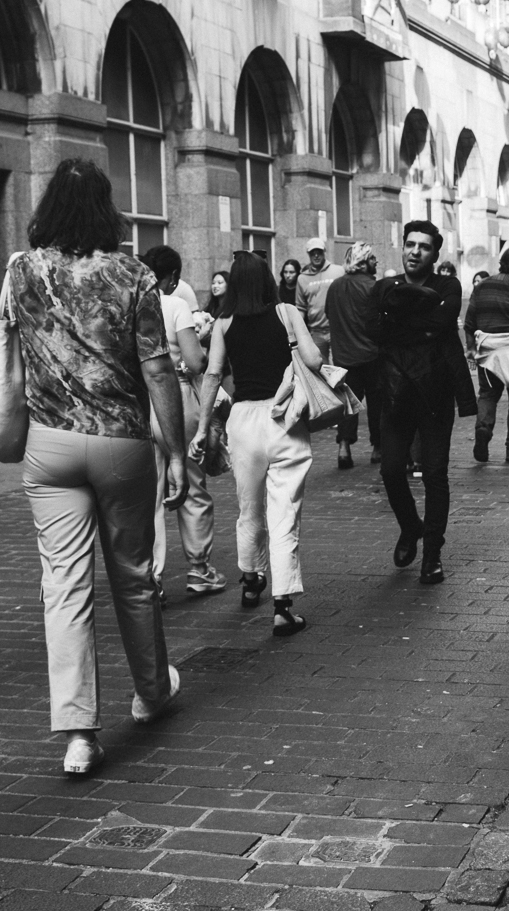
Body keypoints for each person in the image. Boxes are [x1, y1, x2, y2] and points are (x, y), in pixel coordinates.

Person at [9, 160, 187, 777]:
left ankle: (79, 733)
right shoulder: (132, 273)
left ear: (47, 207)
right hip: (121, 443)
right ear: (108, 208)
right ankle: (150, 693)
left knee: (63, 585)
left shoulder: (19, 269)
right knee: (133, 575)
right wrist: (178, 450)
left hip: (49, 443)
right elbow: (159, 368)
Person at [192, 253, 322, 637]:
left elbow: (213, 375)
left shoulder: (224, 323)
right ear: (267, 280)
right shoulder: (285, 313)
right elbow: (313, 359)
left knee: (248, 508)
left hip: (243, 422)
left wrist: (202, 430)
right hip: (284, 420)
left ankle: (251, 580)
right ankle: (283, 606)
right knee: (284, 513)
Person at [369, 220, 477, 585]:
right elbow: (376, 330)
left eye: (424, 246)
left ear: (435, 253)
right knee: (390, 470)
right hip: (396, 394)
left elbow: (442, 321)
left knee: (434, 474)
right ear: (402, 247)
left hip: (434, 394)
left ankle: (432, 554)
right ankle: (410, 526)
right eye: (410, 244)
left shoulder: (448, 285)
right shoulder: (385, 286)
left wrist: (401, 318)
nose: (415, 251)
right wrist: (421, 321)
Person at [140, 246, 226, 602]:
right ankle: (199, 568)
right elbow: (195, 361)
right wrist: (202, 342)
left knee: (151, 493)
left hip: (140, 403)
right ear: (173, 277)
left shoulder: (133, 304)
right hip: (175, 399)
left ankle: (152, 576)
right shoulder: (174, 306)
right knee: (191, 484)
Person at [464, 246, 509, 465]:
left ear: (501, 262)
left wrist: (471, 348)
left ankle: (483, 429)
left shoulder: (482, 286)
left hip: (488, 348)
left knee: (487, 395)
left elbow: (470, 320)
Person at [326, 241, 382, 470]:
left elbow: (329, 314)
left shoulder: (335, 286)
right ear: (363, 261)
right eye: (372, 258)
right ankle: (378, 447)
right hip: (373, 354)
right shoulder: (374, 287)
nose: (375, 261)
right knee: (377, 403)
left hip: (344, 355)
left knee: (348, 404)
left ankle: (344, 447)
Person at [295, 238, 337, 361]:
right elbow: (300, 308)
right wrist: (298, 332)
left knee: (338, 369)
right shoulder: (302, 278)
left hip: (336, 330)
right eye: (313, 253)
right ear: (309, 254)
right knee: (320, 370)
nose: (316, 255)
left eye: (319, 252)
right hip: (316, 332)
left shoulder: (338, 271)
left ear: (324, 252)